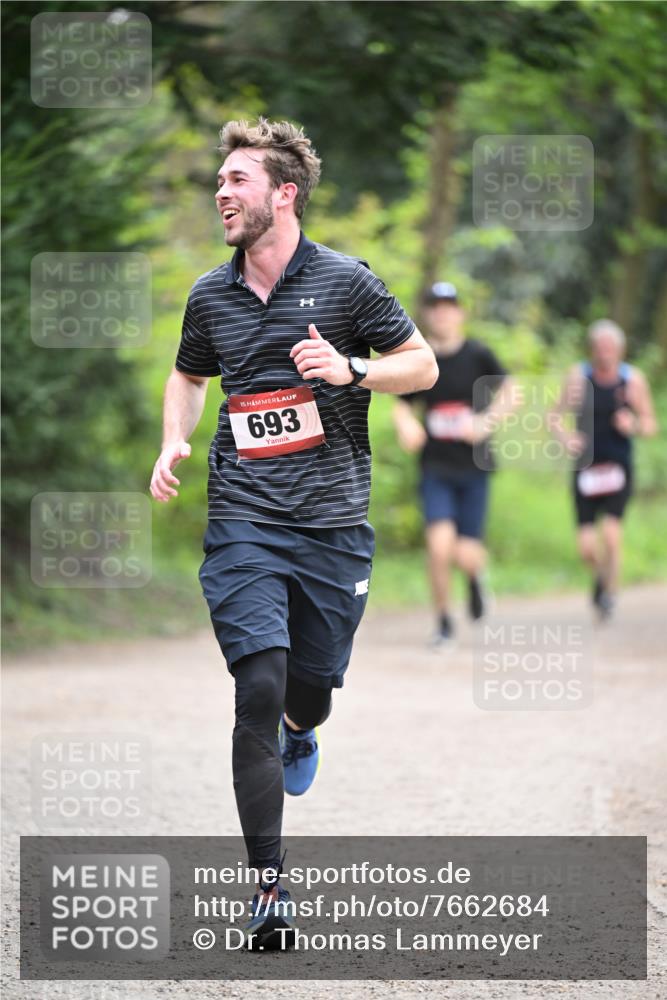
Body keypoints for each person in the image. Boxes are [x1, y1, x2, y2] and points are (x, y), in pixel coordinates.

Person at [149, 118, 437, 948]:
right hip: (243, 518)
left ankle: (303, 732)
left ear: (284, 193)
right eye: (219, 179)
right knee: (259, 688)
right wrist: (175, 435)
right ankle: (269, 895)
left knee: (307, 694)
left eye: (237, 179)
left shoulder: (346, 284)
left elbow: (420, 365)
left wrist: (352, 369)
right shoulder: (211, 294)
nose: (220, 192)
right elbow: (188, 372)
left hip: (332, 525)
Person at [393, 282, 512, 645]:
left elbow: (510, 390)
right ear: (428, 313)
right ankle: (444, 622)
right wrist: (408, 425)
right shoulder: (422, 357)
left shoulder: (478, 354)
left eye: (449, 306)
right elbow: (402, 403)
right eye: (436, 306)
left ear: (460, 313)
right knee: (438, 547)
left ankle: (476, 579)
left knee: (466, 553)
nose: (442, 313)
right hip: (436, 468)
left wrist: (485, 422)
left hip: (474, 467)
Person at [554, 319, 657, 620]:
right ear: (592, 350)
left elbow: (651, 424)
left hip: (617, 469)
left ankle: (610, 593)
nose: (605, 354)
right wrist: (567, 438)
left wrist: (633, 424)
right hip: (585, 469)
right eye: (600, 348)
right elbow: (555, 417)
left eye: (611, 348)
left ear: (621, 351)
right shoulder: (578, 377)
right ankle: (600, 578)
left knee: (611, 535)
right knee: (586, 547)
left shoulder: (633, 381)